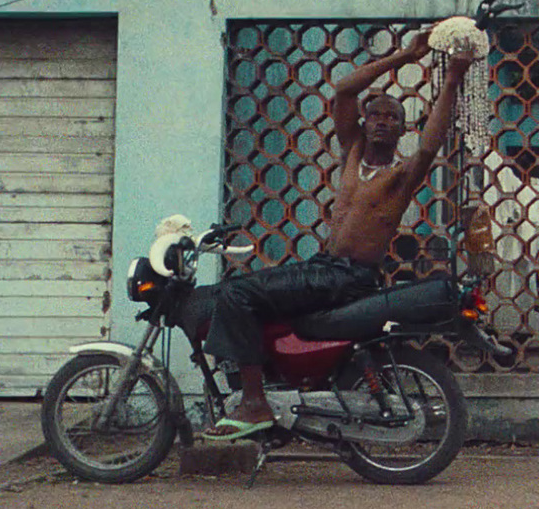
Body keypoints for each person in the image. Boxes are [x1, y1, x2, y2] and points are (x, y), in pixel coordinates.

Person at [200, 26, 479, 439]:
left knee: (235, 293)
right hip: (323, 266)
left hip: (344, 276)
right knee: (254, 303)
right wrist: (405, 55)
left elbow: (429, 144)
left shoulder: (400, 175)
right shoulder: (350, 153)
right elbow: (344, 91)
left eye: (393, 118)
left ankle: (255, 404)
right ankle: (274, 393)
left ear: (402, 130)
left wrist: (453, 77)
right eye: (377, 115)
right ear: (364, 124)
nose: (383, 122)